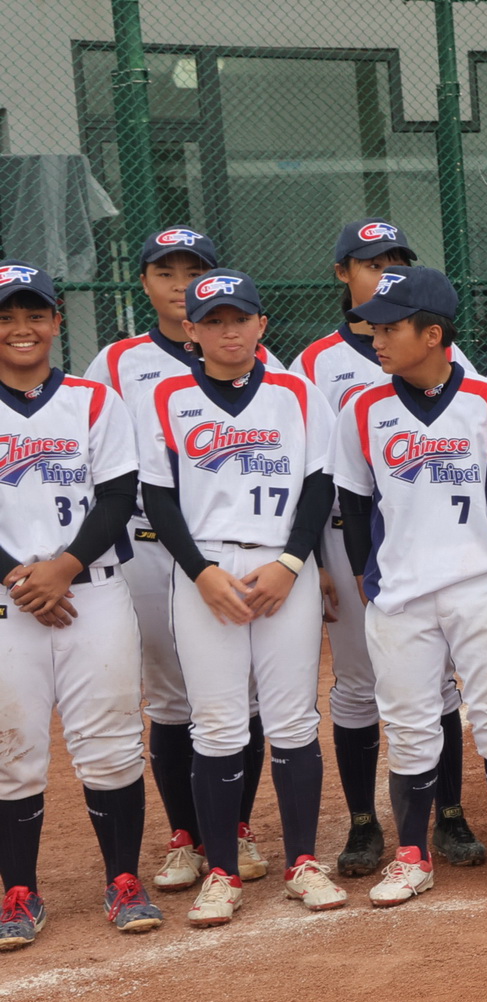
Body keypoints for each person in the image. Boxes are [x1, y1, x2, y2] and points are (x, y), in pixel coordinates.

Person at [333, 266, 487, 906]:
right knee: (408, 726)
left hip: (480, 582)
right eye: (374, 326)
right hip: (399, 593)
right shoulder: (362, 408)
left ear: (433, 334)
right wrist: (365, 579)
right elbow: (352, 500)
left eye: (391, 326)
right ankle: (411, 855)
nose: (377, 338)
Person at [134, 269, 340, 925]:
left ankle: (302, 862)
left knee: (291, 721)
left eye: (238, 318)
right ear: (191, 331)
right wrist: (199, 571)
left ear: (261, 325)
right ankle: (220, 869)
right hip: (207, 573)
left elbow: (318, 488)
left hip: (285, 569)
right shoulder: (166, 396)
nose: (228, 330)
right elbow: (157, 498)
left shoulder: (297, 394)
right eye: (213, 320)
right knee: (218, 723)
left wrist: (290, 563)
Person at [86, 228, 271, 892]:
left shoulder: (251, 351)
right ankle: (187, 836)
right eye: (165, 270)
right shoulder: (117, 362)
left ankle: (238, 826)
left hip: (230, 544)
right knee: (169, 697)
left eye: (194, 270)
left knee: (238, 691)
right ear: (144, 283)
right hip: (145, 544)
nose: (178, 281)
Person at [298, 219, 482, 879]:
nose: (381, 270)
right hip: (351, 535)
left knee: (438, 680)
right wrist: (323, 561)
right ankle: (363, 821)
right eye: (369, 261)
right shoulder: (316, 362)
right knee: (355, 683)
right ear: (343, 273)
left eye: (394, 260)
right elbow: (314, 470)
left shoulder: (445, 353)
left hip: (431, 538)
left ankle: (452, 813)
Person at [0, 262, 157, 946]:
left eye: (34, 314)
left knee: (112, 744)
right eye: (6, 316)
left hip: (90, 594)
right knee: (13, 751)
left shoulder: (95, 401)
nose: (21, 328)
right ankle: (17, 891)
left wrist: (61, 569)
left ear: (57, 321)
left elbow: (118, 497)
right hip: (8, 604)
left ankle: (123, 878)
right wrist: (21, 579)